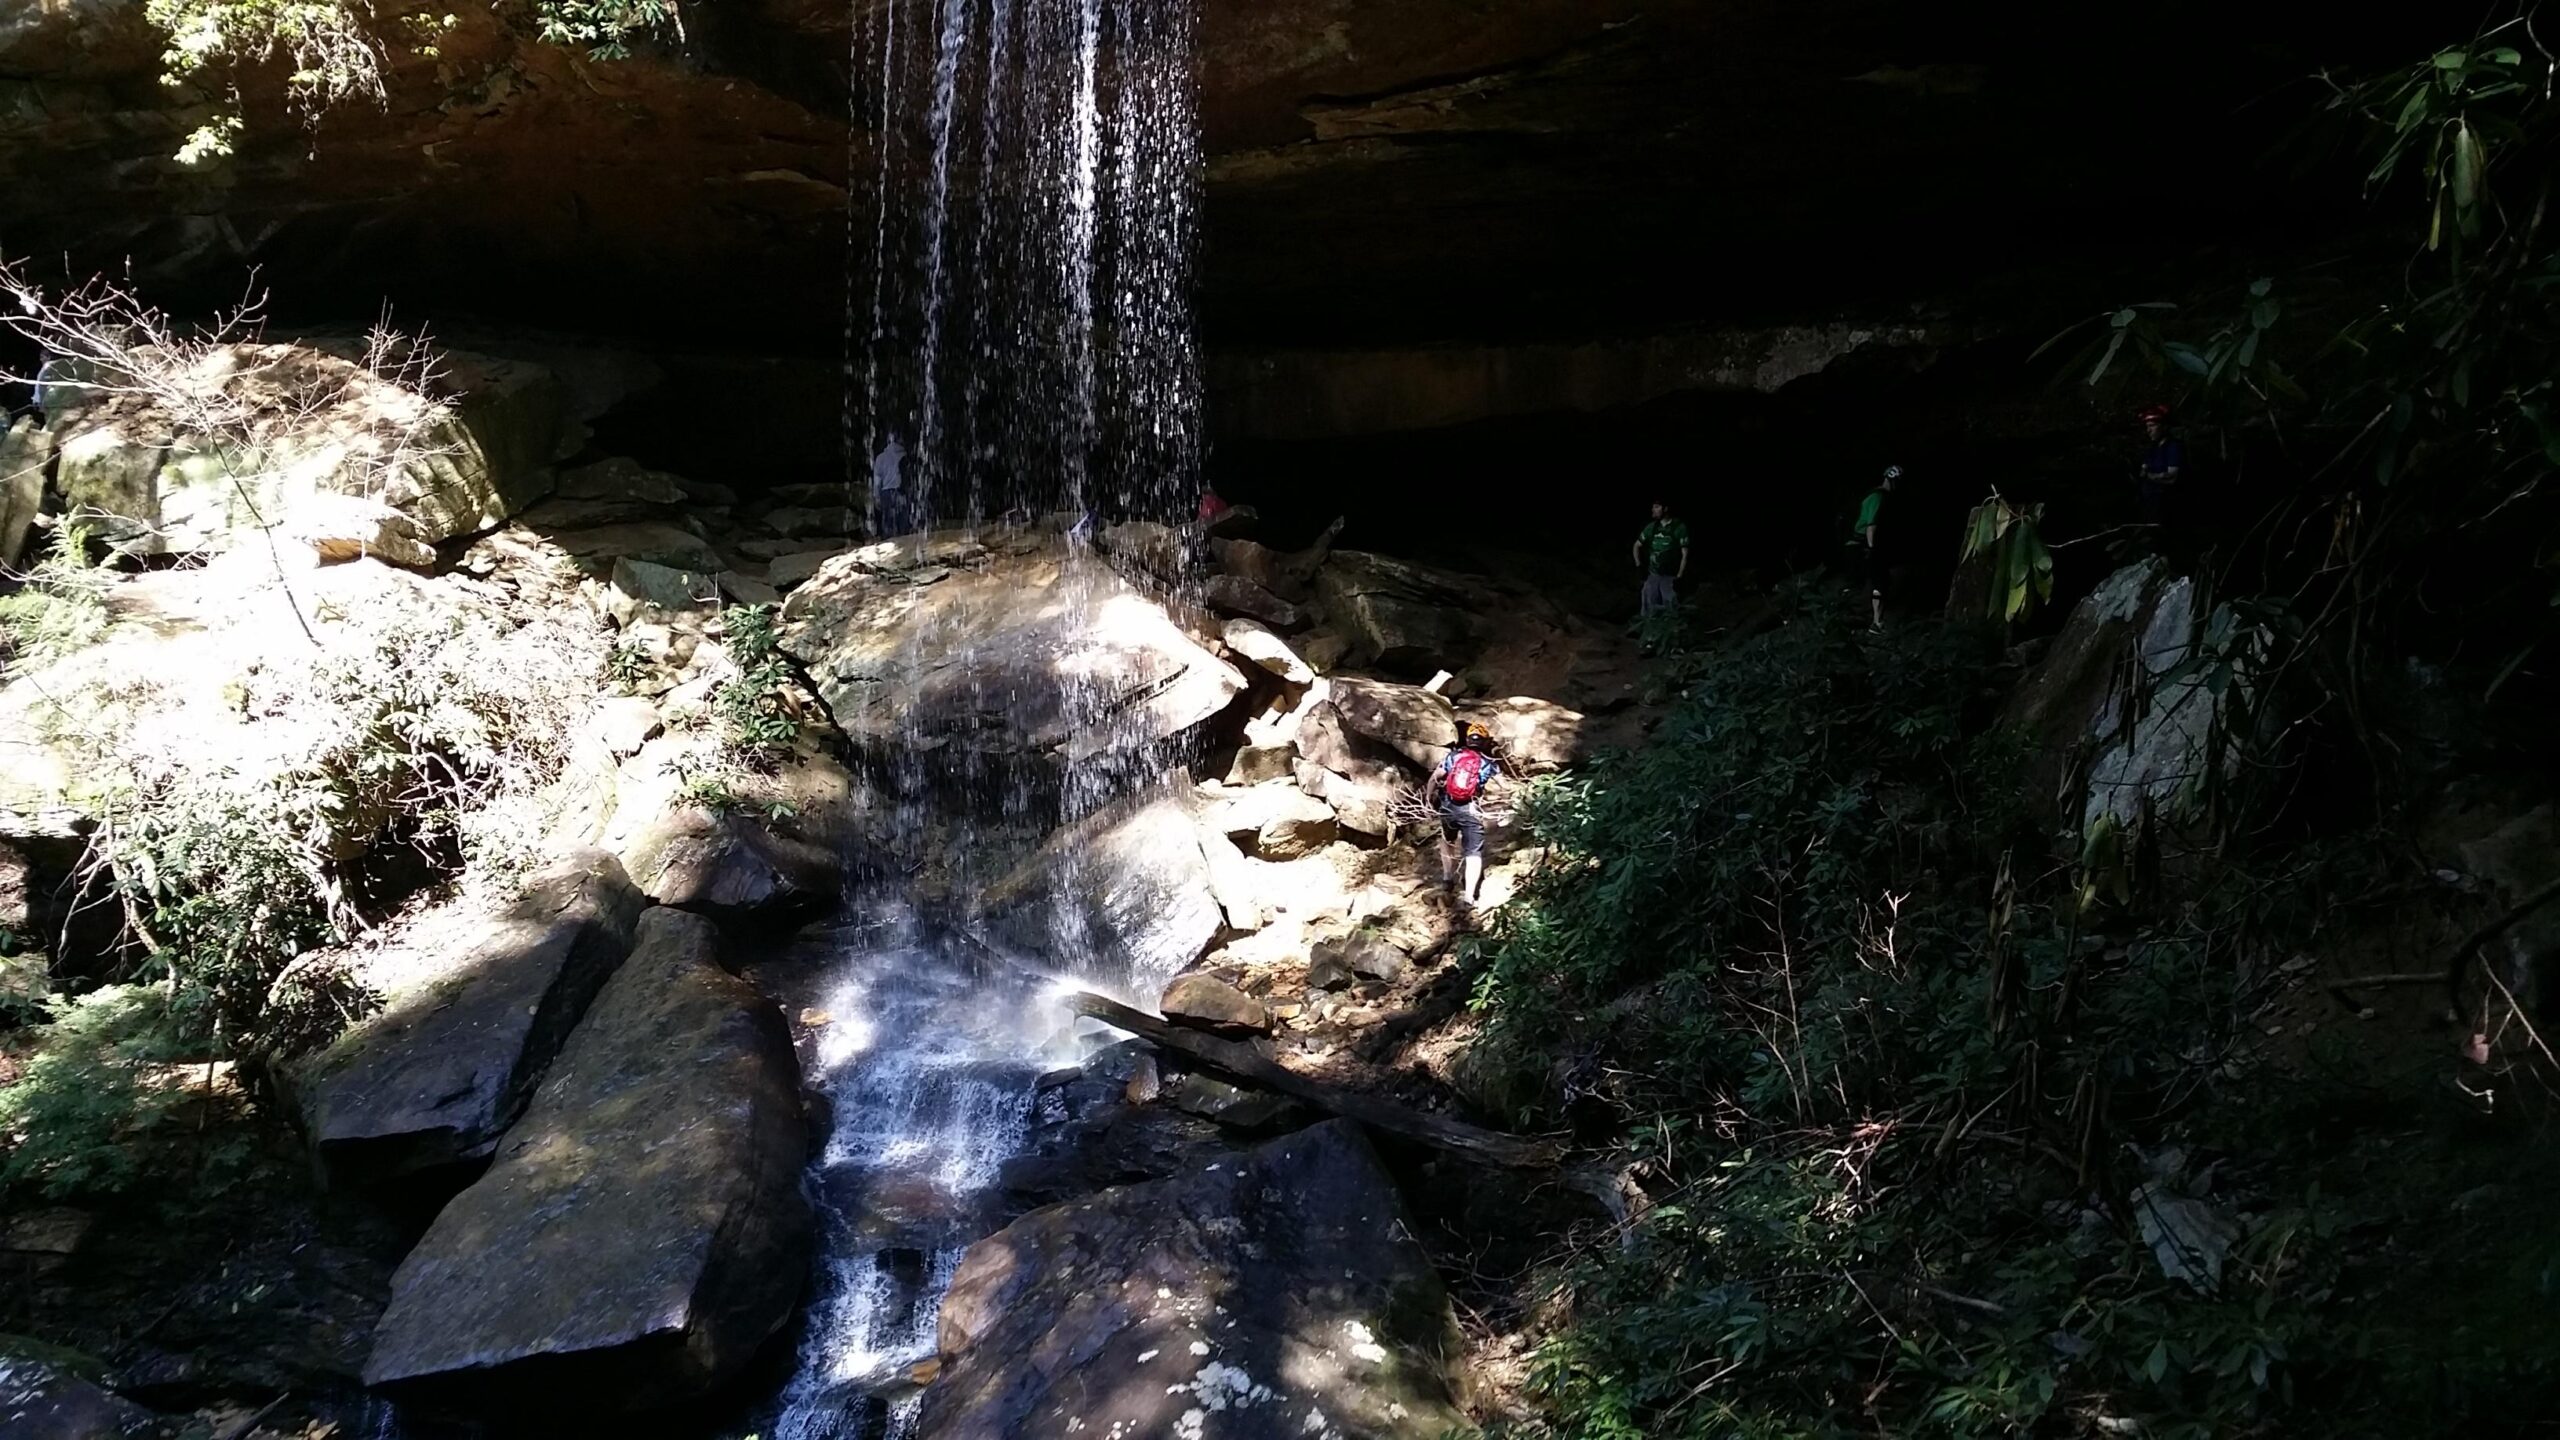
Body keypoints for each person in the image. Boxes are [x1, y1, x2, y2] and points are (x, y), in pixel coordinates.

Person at [1430, 722, 1502, 907]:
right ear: (1485, 743)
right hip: (1470, 808)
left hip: (1448, 806)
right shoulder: (1489, 763)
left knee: (1447, 840)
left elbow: (1436, 777)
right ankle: (1469, 896)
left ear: (1468, 740)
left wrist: (1429, 800)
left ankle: (1447, 878)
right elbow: (1504, 787)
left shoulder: (1453, 756)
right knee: (1473, 852)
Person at [1852, 465, 1898, 629]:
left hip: (1861, 543)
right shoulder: (1878, 497)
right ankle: (1876, 622)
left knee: (1876, 581)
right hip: (1864, 544)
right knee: (1879, 582)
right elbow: (1871, 526)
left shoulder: (1874, 495)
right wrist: (1872, 549)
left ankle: (1874, 619)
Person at [1632, 500, 1689, 620]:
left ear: (1665, 508)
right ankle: (1647, 633)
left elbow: (1685, 554)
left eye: (1657, 507)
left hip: (1670, 577)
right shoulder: (1652, 527)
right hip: (1653, 575)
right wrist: (1638, 566)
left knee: (1670, 609)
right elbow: (1636, 545)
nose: (1653, 510)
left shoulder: (1678, 527)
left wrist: (1680, 576)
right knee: (1648, 608)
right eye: (1653, 507)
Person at [2136, 405, 2183, 536]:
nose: (2149, 430)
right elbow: (2142, 471)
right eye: (2147, 427)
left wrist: (2150, 476)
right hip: (2150, 505)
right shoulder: (2152, 449)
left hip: (2168, 505)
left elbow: (2172, 477)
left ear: (2163, 426)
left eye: (2152, 426)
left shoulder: (2173, 447)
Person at [870, 432, 911, 537]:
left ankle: (888, 542)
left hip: (886, 493)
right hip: (901, 492)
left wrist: (877, 497)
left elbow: (877, 480)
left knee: (888, 523)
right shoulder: (905, 455)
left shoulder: (881, 458)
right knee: (903, 523)